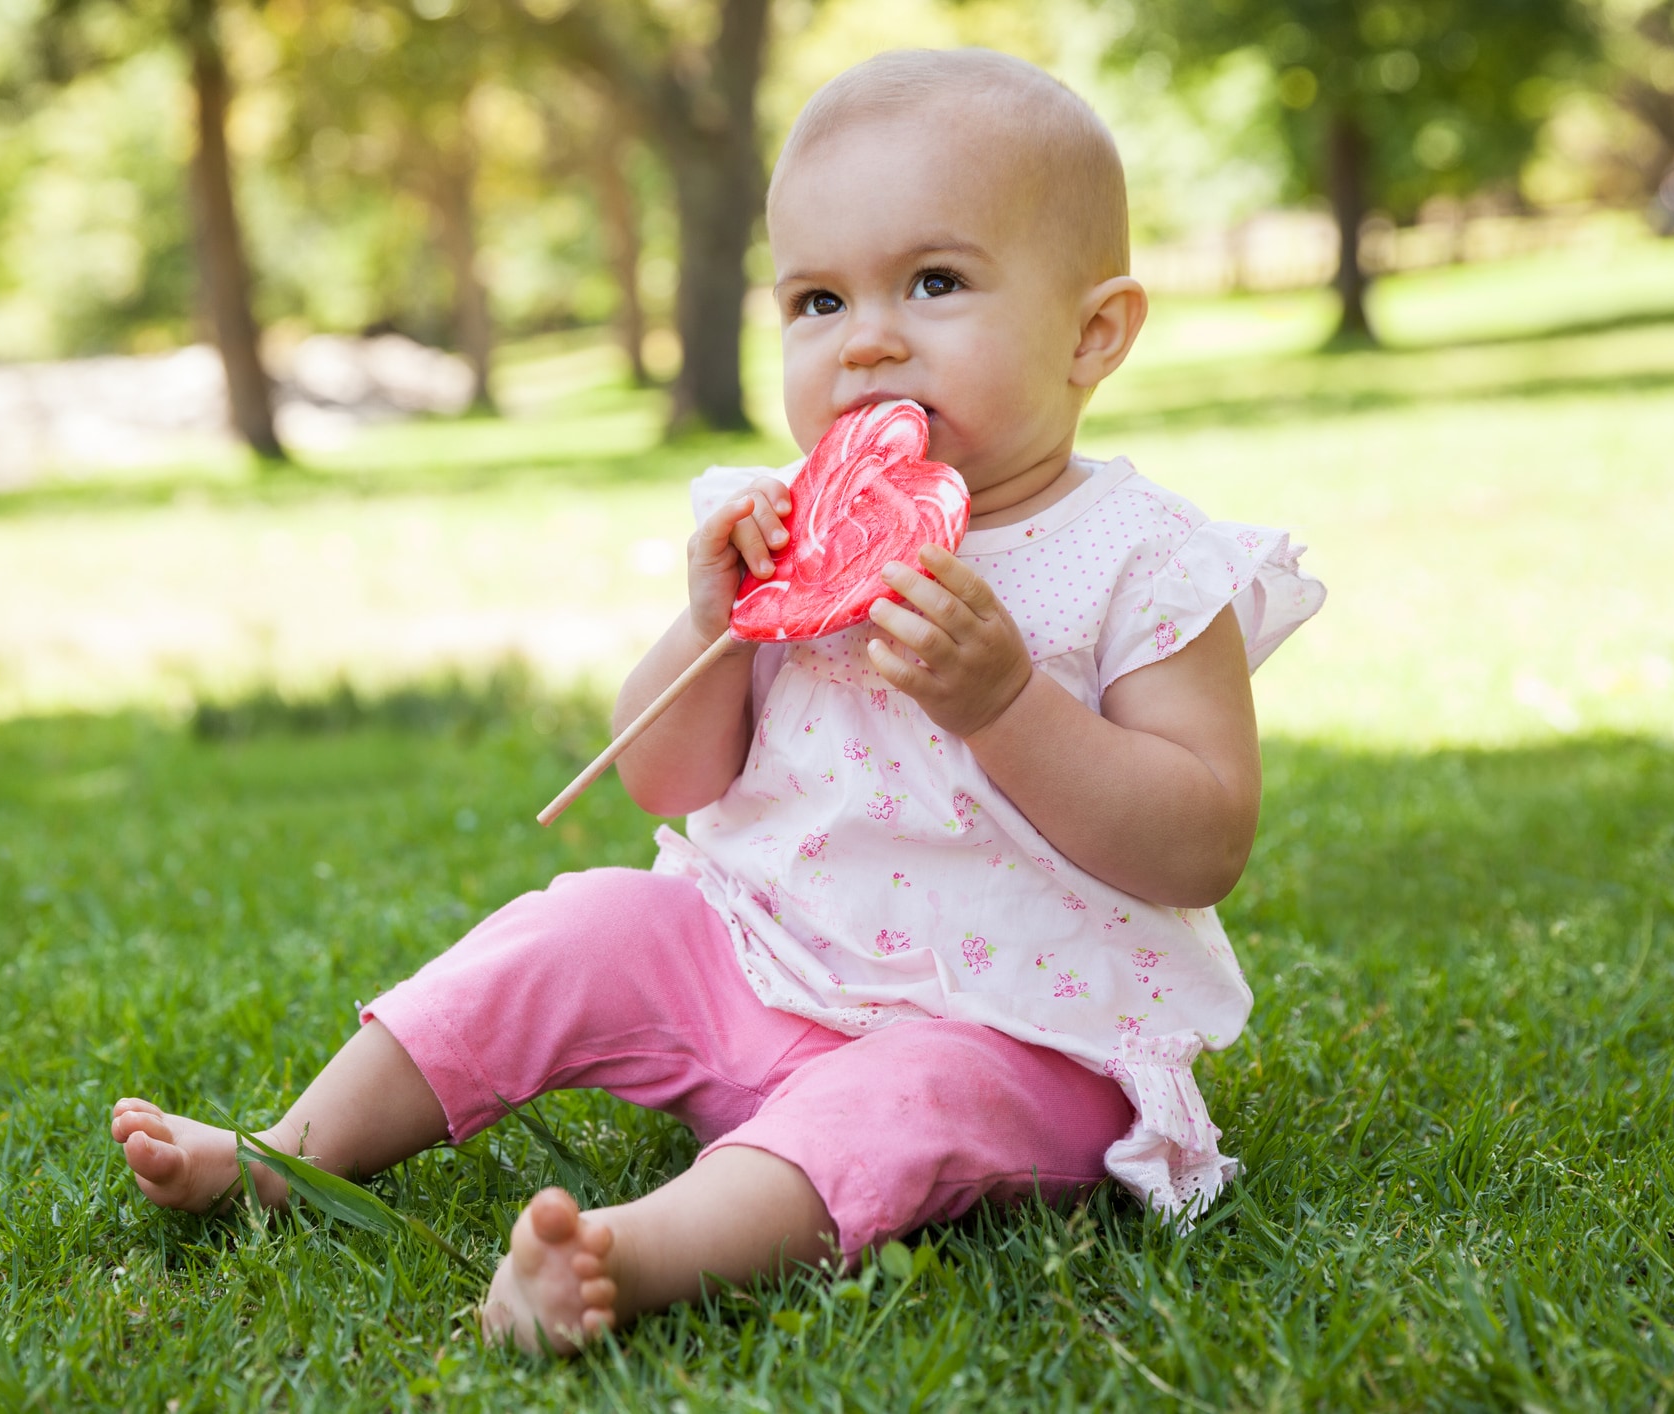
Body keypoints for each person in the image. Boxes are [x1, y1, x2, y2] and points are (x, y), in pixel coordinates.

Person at [108, 47, 1324, 1354]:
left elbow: (1201, 838)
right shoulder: (779, 530)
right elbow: (665, 781)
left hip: (1013, 1030)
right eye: (815, 299)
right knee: (581, 922)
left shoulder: (1138, 560)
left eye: (934, 282)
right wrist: (717, 623)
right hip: (754, 961)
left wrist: (1004, 700)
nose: (866, 339)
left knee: (897, 1097)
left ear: (1095, 331)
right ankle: (291, 1151)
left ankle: (629, 1254)